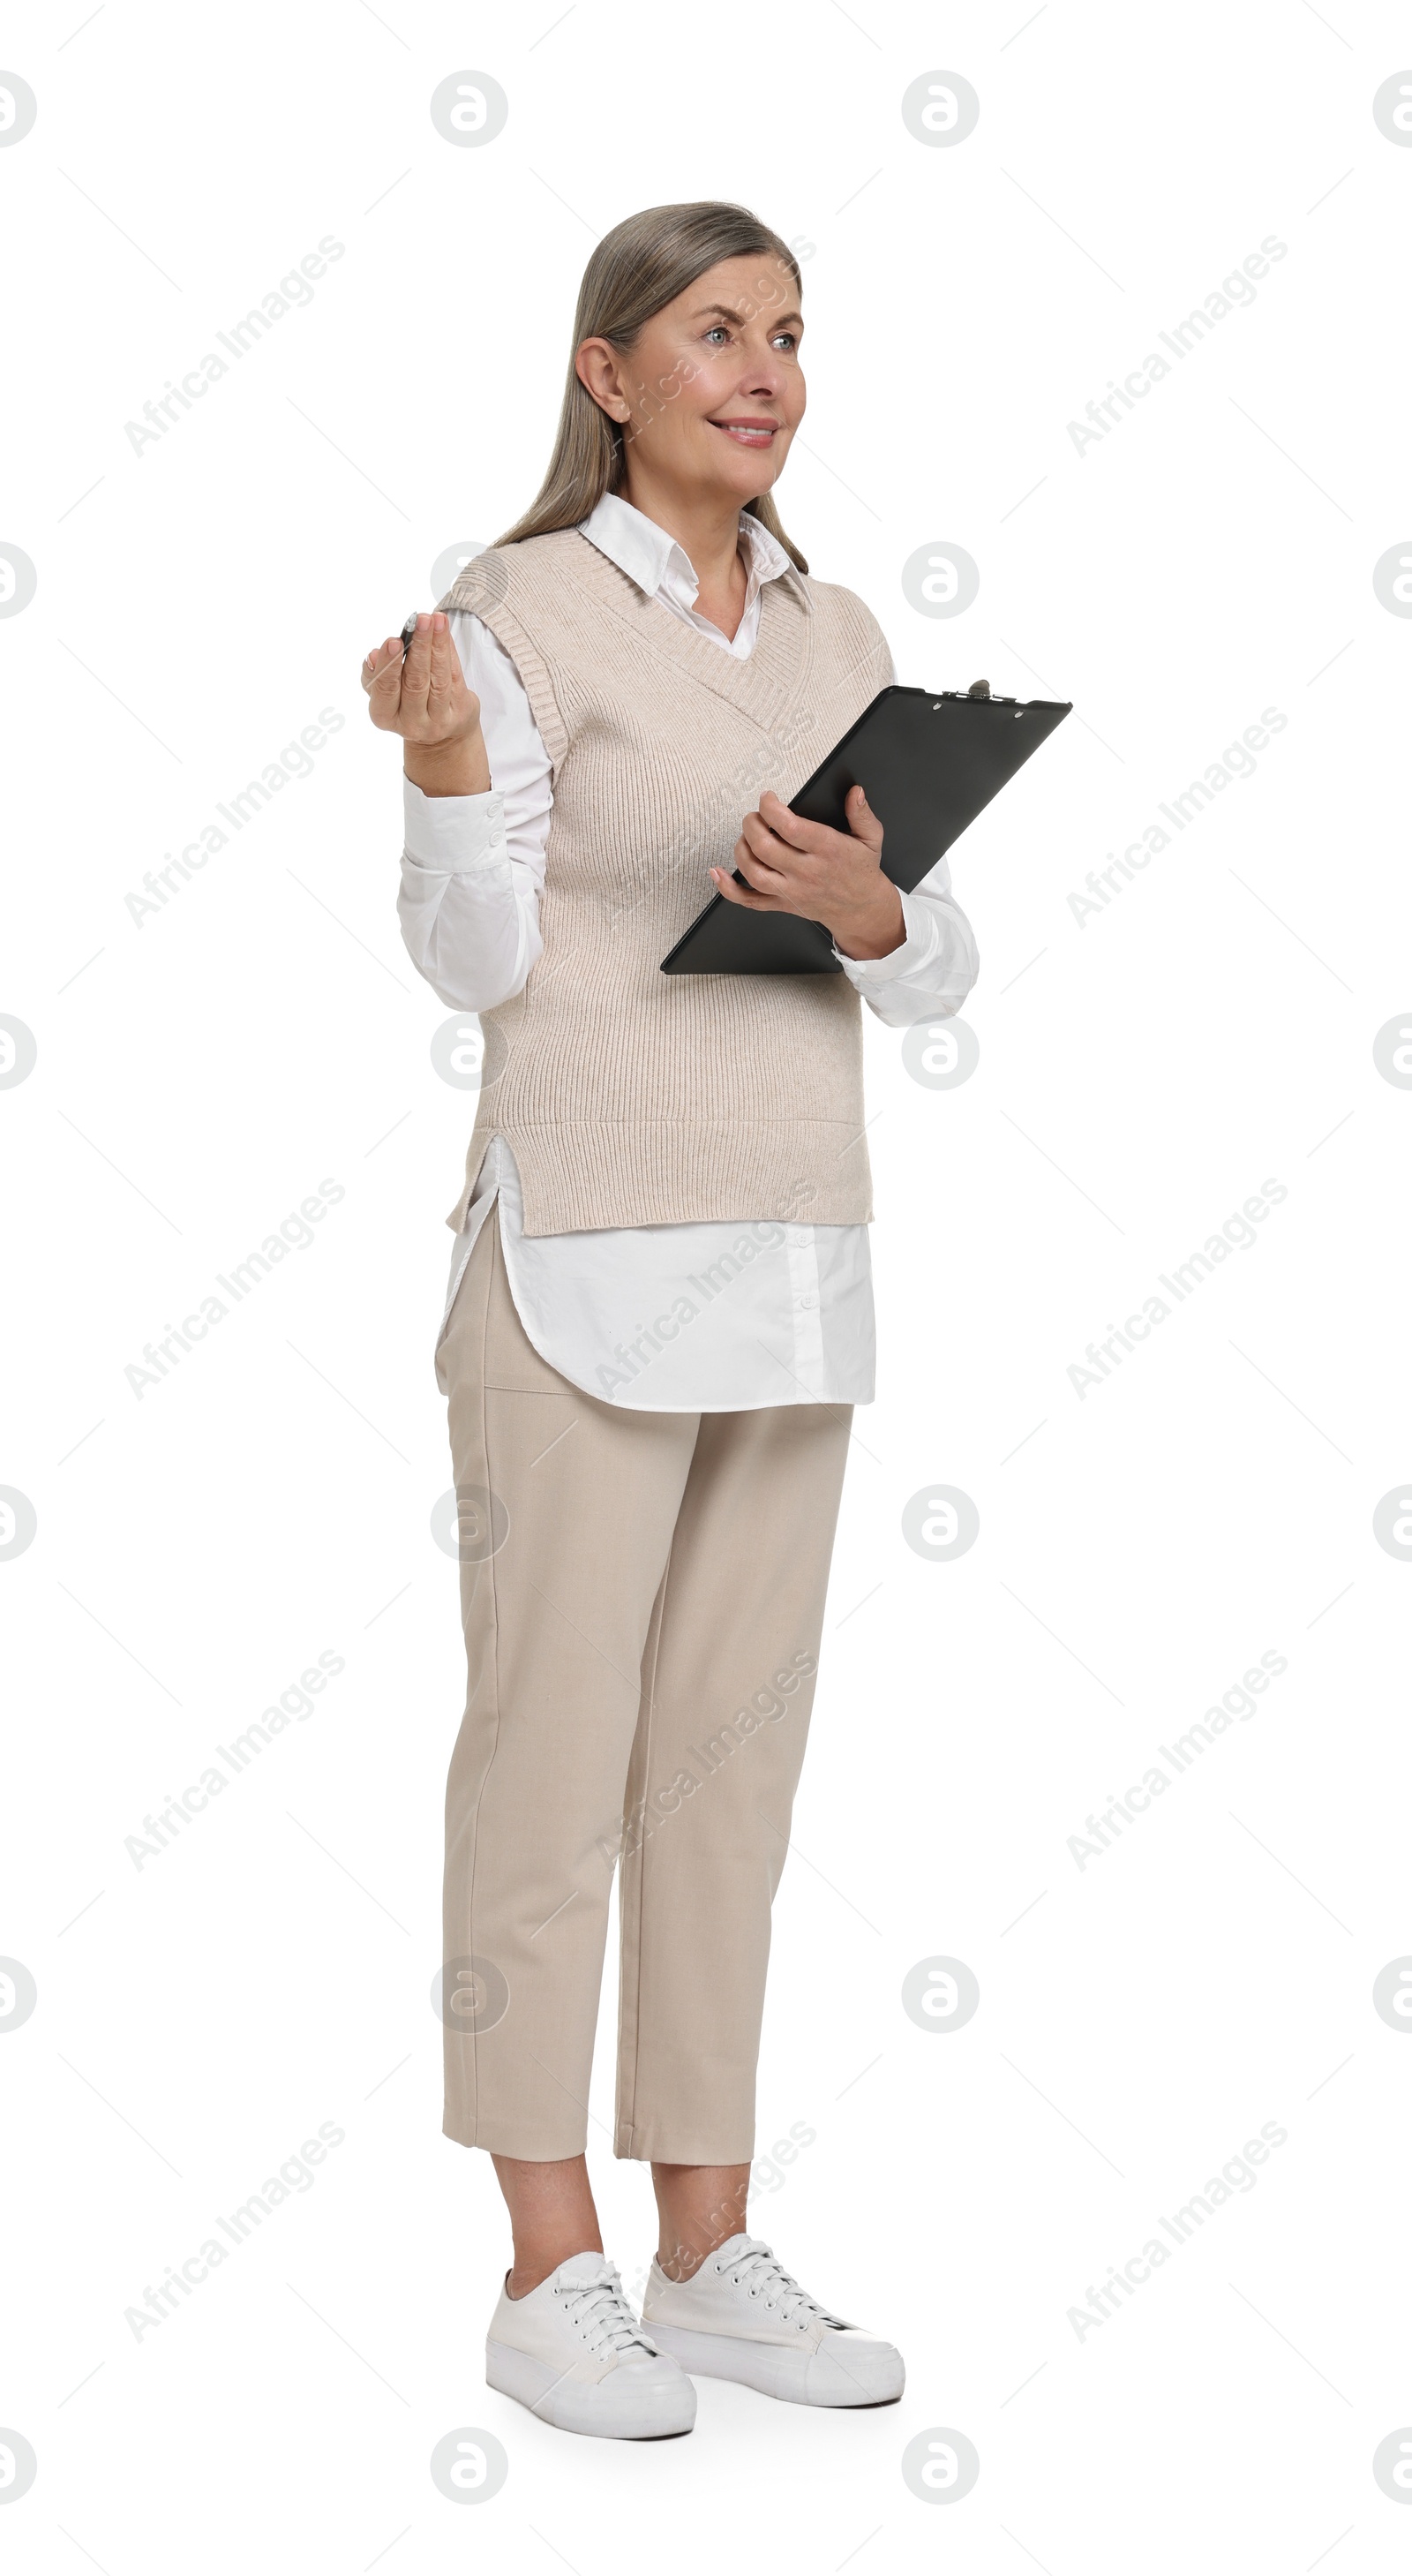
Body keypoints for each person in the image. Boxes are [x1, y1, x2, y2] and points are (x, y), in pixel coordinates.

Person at [363, 200, 979, 2441]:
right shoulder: (511, 607)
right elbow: (473, 960)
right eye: (712, 330)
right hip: (579, 1257)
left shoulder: (835, 627)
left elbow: (935, 975)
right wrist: (440, 779)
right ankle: (549, 2267)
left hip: (791, 1251)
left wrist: (877, 907)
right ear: (607, 374)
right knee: (551, 1769)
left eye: (790, 332)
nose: (763, 366)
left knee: (730, 1774)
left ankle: (707, 2244)